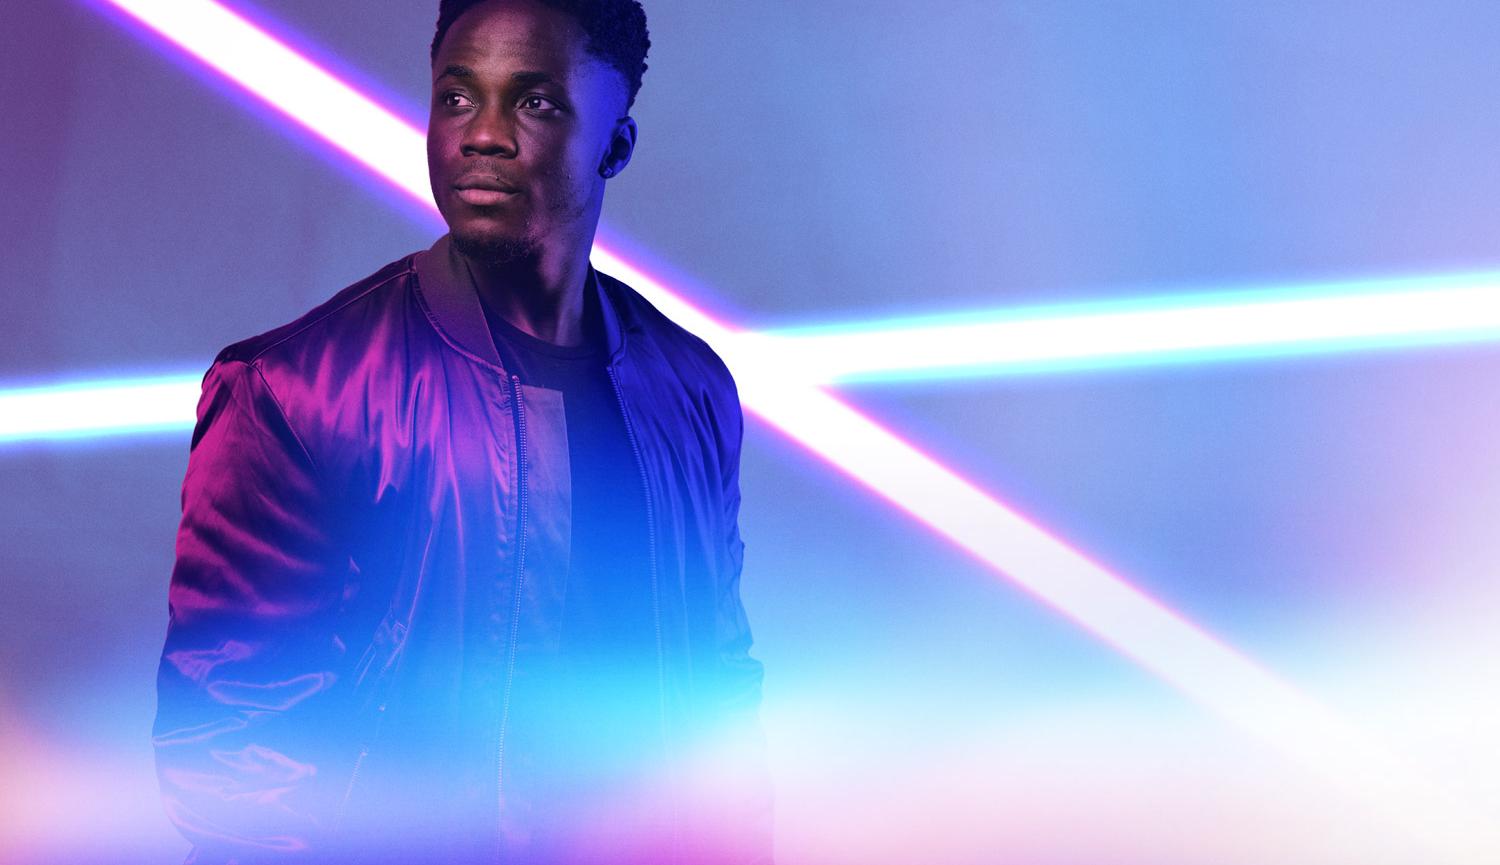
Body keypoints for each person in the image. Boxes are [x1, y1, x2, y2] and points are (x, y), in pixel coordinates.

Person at [151, 1, 772, 862]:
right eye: (455, 97)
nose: (481, 135)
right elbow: (230, 754)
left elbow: (719, 688)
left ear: (615, 145)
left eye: (534, 102)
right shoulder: (290, 393)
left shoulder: (689, 387)